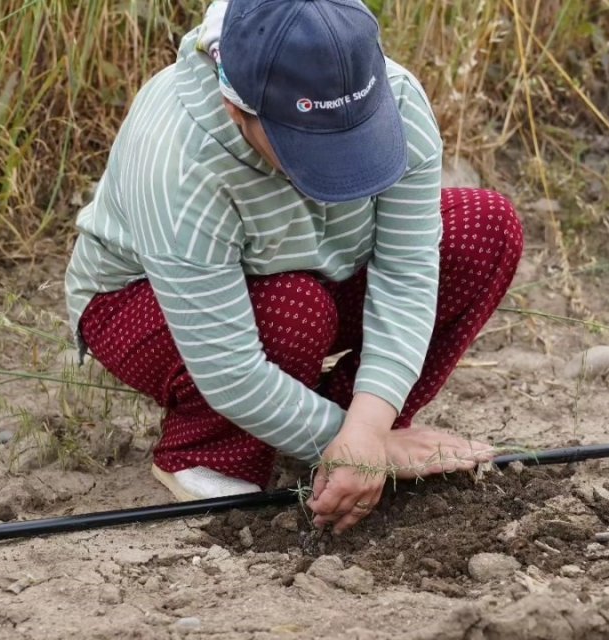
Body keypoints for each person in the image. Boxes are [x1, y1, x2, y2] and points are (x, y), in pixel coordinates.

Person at [64, 0, 523, 534]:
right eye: (309, 146)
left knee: (485, 228)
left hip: (319, 272)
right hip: (145, 304)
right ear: (236, 109)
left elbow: (406, 275)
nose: (340, 166)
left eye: (355, 137)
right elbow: (230, 368)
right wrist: (368, 447)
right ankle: (210, 453)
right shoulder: (178, 158)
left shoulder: (399, 98)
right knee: (293, 308)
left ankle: (340, 437)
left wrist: (367, 430)